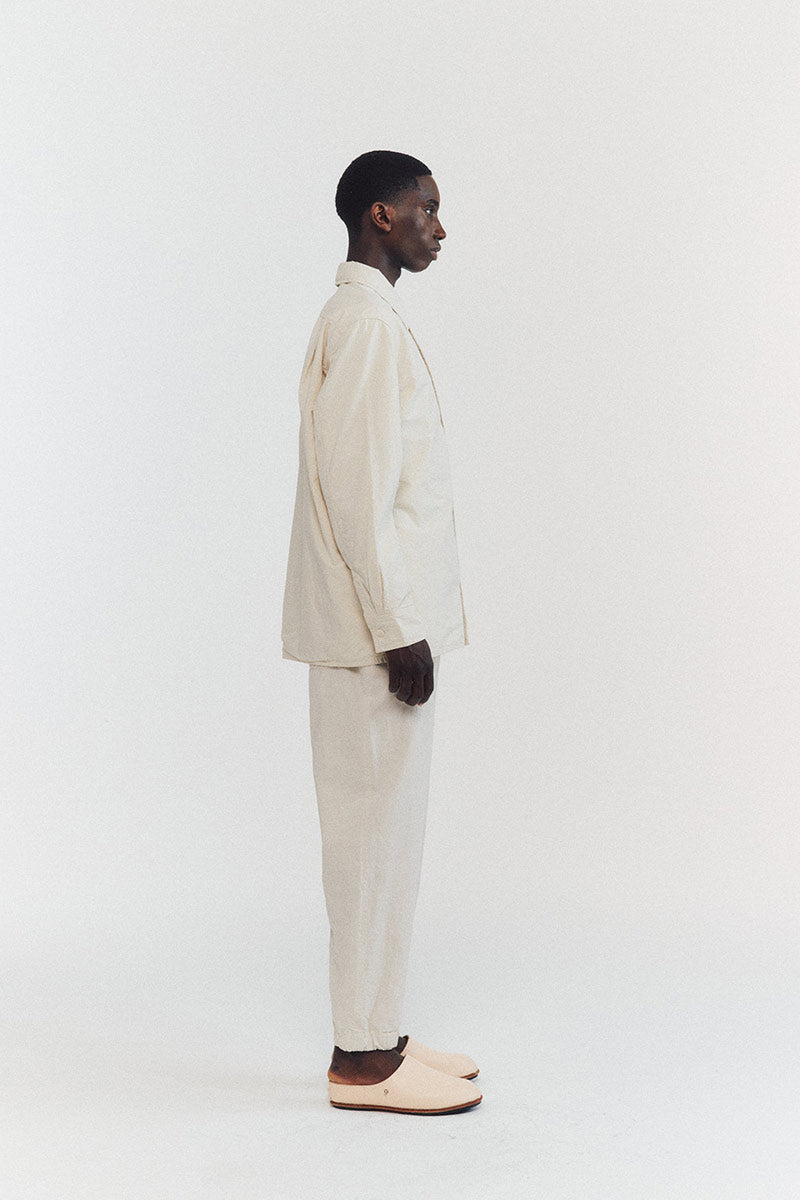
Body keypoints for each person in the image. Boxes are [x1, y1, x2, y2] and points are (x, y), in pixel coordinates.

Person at [281, 151, 481, 1115]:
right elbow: (359, 493)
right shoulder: (362, 324)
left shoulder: (371, 318)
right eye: (426, 209)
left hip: (384, 632)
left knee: (391, 841)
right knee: (368, 848)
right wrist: (401, 630)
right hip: (371, 639)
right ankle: (360, 1062)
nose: (440, 227)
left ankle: (382, 1031)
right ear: (380, 215)